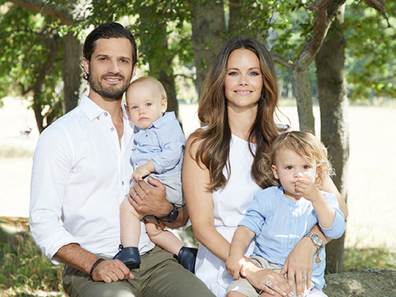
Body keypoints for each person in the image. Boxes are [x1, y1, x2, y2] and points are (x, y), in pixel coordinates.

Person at [30, 22, 214, 297]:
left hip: (155, 259)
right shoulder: (60, 135)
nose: (114, 69)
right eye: (104, 59)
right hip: (92, 266)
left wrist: (168, 210)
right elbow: (42, 221)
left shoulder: (154, 129)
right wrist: (94, 265)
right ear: (86, 64)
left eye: (123, 60)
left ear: (134, 68)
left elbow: (185, 211)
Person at [182, 36, 348, 297]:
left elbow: (339, 207)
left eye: (253, 73)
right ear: (220, 80)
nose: (243, 81)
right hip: (226, 263)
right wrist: (250, 270)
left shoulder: (286, 141)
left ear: (265, 81)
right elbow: (202, 227)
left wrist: (309, 242)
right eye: (233, 73)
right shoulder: (201, 143)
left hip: (283, 260)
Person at [226, 131, 346, 297]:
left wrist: (316, 199)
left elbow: (336, 229)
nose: (298, 174)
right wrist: (236, 255)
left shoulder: (324, 200)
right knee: (235, 293)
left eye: (306, 167)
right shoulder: (266, 197)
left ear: (317, 171)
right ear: (276, 172)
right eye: (289, 168)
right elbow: (246, 229)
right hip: (262, 264)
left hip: (298, 273)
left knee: (273, 295)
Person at [113, 76, 196, 272]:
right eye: (134, 107)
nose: (141, 111)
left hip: (168, 182)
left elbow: (173, 152)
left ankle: (129, 250)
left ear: (163, 104)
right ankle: (185, 254)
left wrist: (148, 167)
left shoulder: (167, 125)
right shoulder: (144, 128)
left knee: (128, 207)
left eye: (148, 104)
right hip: (163, 182)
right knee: (153, 230)